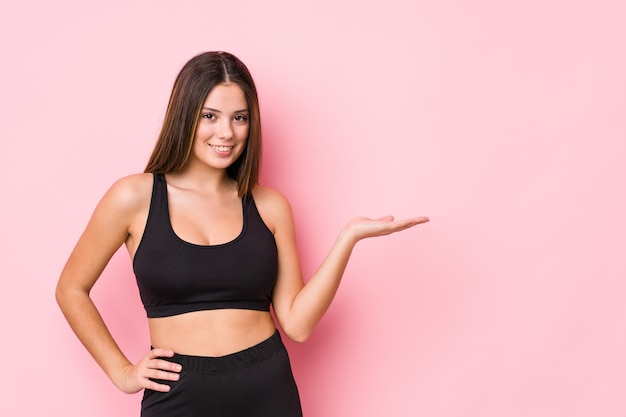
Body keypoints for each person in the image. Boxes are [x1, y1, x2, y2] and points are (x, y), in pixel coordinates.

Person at [55, 51, 429, 417]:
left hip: (266, 387)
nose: (226, 133)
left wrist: (349, 236)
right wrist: (122, 372)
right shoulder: (132, 197)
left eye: (239, 118)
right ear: (185, 116)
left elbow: (297, 325)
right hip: (178, 393)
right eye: (210, 116)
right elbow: (71, 289)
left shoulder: (269, 206)